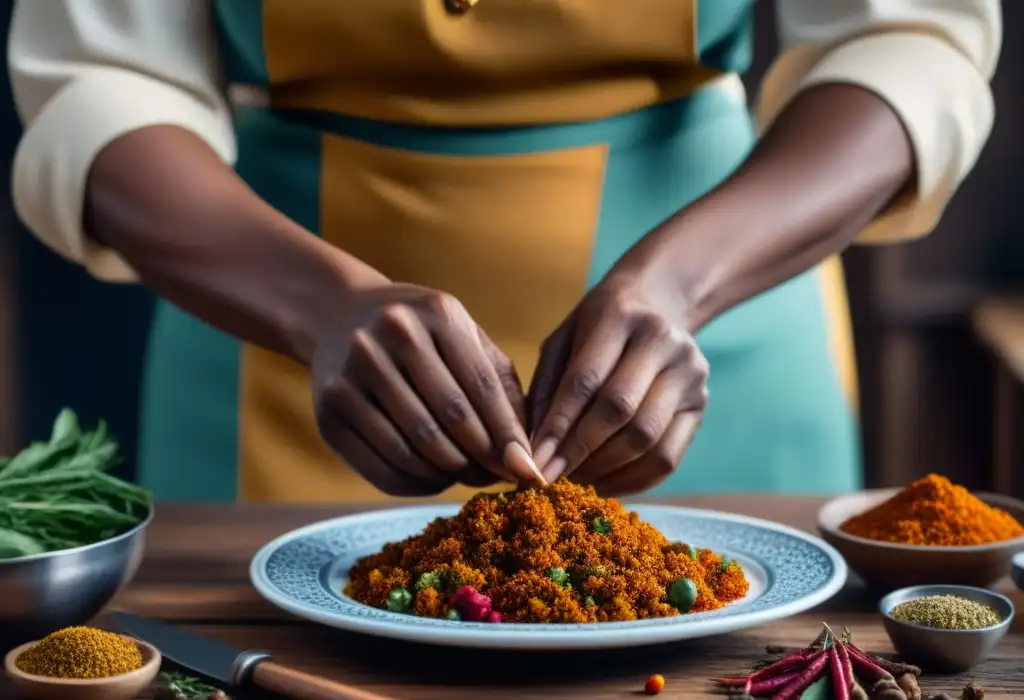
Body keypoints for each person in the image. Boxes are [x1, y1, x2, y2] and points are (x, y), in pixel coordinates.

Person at [8, 0, 1000, 504]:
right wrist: (316, 309)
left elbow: (902, 42)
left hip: (712, 343)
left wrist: (679, 285)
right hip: (270, 353)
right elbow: (101, 85)